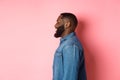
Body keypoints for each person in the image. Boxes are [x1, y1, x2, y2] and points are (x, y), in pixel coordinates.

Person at [53, 12, 87, 80]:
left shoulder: (70, 46)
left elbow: (70, 77)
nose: (55, 25)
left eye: (58, 22)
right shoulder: (66, 44)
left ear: (67, 24)